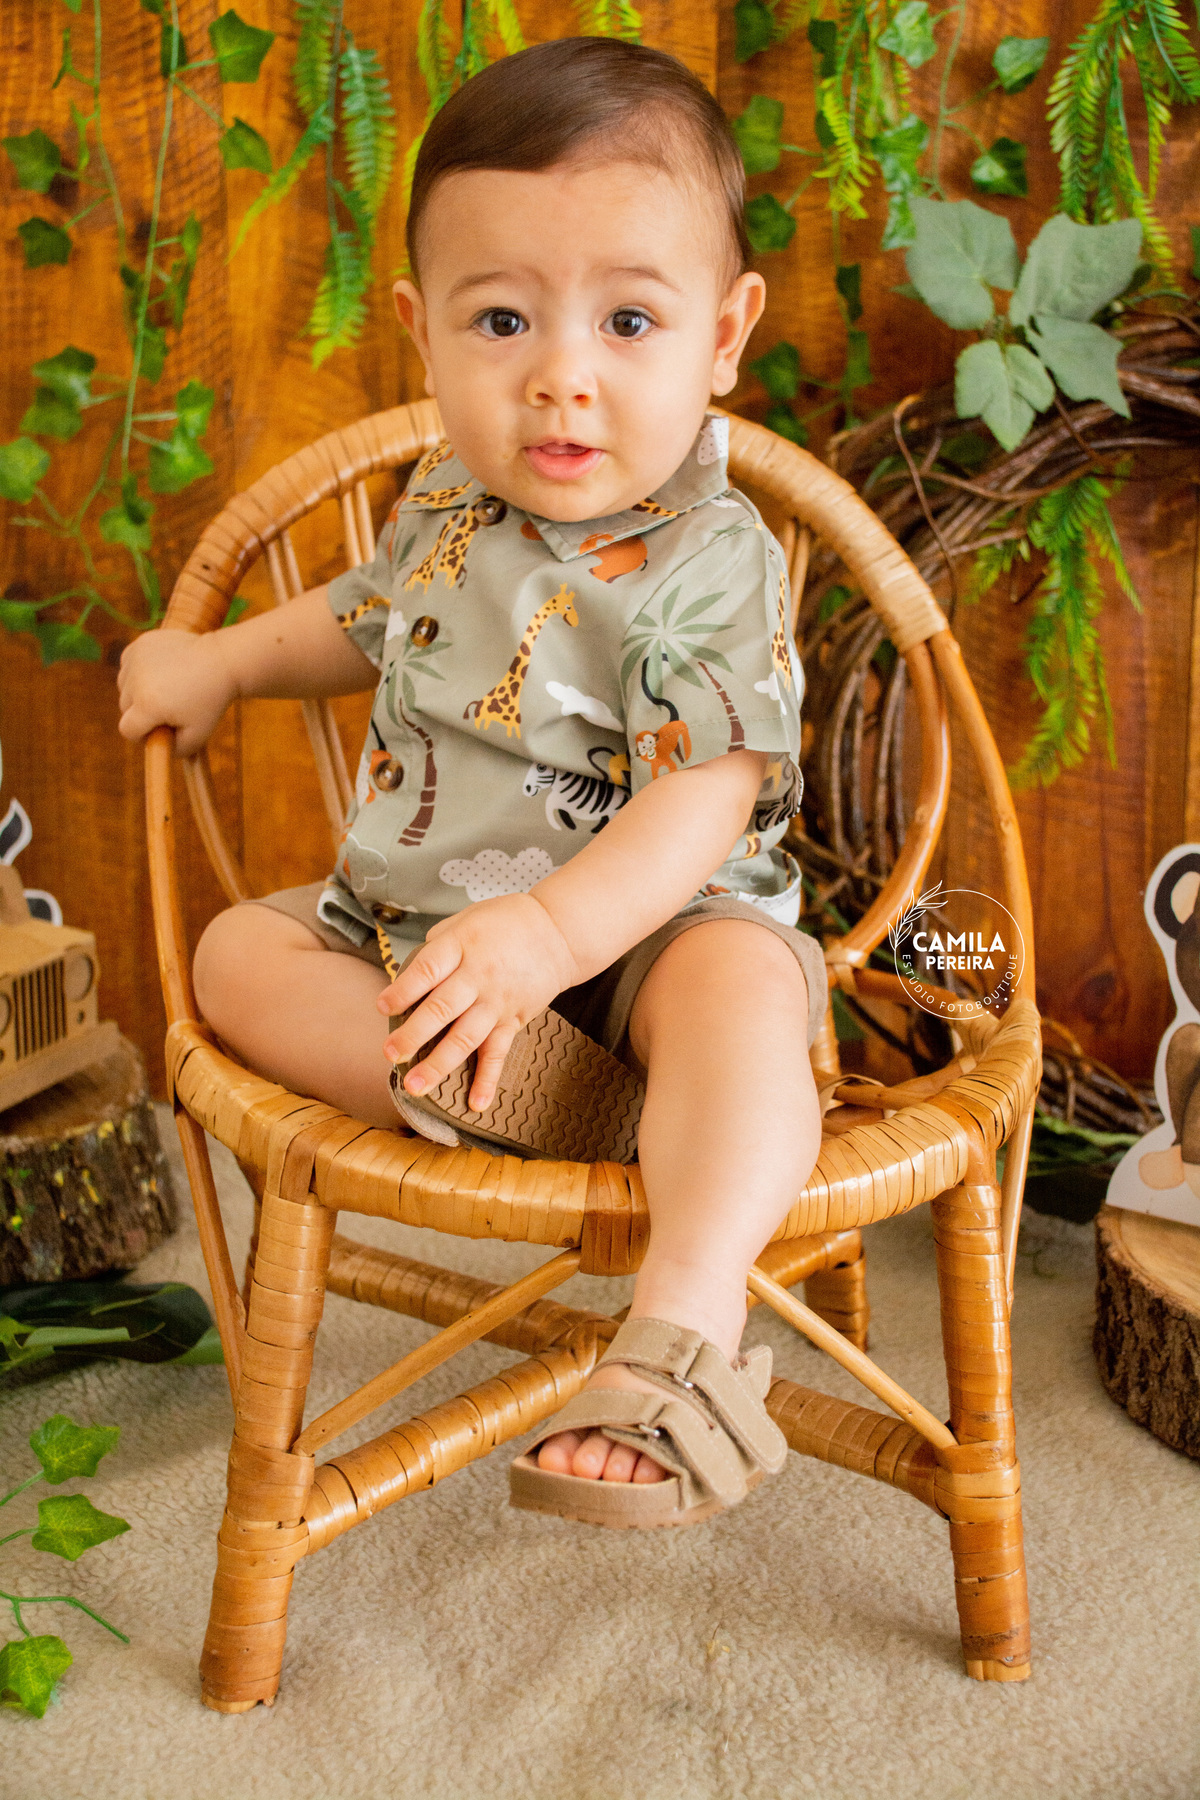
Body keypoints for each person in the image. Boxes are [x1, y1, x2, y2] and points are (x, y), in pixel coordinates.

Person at [118, 35, 826, 1530]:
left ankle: (684, 1328)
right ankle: (474, 1083)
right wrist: (225, 662)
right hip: (424, 935)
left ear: (723, 334)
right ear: (420, 333)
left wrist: (556, 939)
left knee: (749, 1001)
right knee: (234, 956)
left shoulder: (713, 557)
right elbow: (366, 619)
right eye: (502, 319)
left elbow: (706, 792)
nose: (561, 377)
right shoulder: (444, 497)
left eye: (629, 320)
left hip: (653, 936)